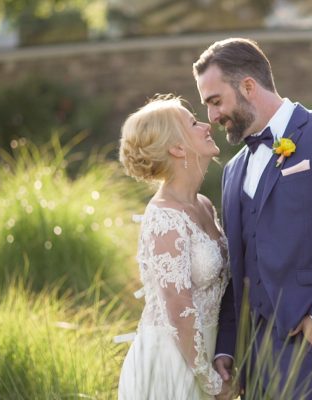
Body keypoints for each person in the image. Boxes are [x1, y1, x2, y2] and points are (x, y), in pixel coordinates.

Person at [193, 38, 312, 399]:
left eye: (215, 101)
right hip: (253, 351)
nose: (212, 117)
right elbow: (240, 265)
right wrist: (228, 346)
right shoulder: (234, 170)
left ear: (248, 85)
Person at [117, 94, 234, 399]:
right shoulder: (165, 218)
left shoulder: (205, 206)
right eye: (194, 123)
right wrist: (210, 382)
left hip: (209, 356)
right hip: (172, 366)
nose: (207, 125)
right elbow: (179, 309)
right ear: (178, 148)